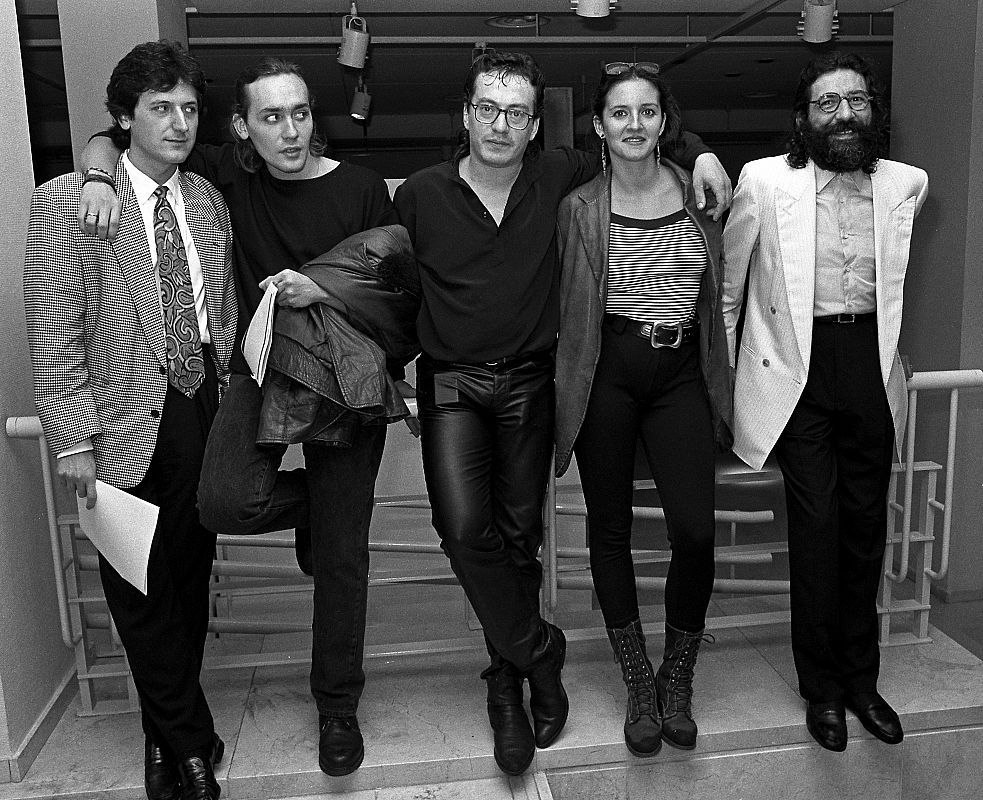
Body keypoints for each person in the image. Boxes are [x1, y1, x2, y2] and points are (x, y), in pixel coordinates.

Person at [393, 50, 732, 776]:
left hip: (531, 383)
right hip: (454, 383)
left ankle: (520, 688)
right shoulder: (422, 194)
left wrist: (700, 150)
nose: (500, 124)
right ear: (464, 114)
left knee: (524, 540)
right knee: (463, 531)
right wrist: (391, 369)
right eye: (487, 108)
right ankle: (539, 653)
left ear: (535, 124)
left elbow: (650, 140)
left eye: (516, 112)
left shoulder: (560, 177)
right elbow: (393, 291)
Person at [78, 57, 401, 777]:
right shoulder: (229, 177)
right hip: (260, 368)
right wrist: (98, 167)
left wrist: (322, 289)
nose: (290, 131)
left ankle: (337, 705)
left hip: (346, 374)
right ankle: (325, 508)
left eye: (301, 113)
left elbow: (398, 287)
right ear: (242, 130)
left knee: (342, 558)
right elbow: (121, 134)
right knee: (220, 499)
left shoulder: (359, 187)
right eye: (271, 117)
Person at [25, 41, 236, 800]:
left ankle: (164, 736)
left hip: (201, 412)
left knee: (186, 580)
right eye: (160, 109)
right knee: (137, 589)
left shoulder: (207, 200)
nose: (178, 123)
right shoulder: (68, 201)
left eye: (188, 109)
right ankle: (189, 749)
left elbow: (222, 310)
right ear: (124, 118)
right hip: (118, 426)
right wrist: (71, 438)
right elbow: (55, 327)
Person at [721, 52, 928, 752]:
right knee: (815, 532)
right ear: (802, 118)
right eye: (825, 103)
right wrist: (726, 384)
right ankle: (822, 692)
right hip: (797, 371)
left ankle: (861, 682)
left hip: (868, 364)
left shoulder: (905, 183)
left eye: (855, 100)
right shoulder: (763, 181)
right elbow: (728, 291)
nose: (842, 113)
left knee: (866, 530)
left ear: (873, 110)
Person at [554, 62, 733, 758]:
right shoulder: (578, 208)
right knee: (610, 529)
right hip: (607, 372)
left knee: (693, 530)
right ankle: (637, 683)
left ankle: (677, 676)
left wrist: (705, 152)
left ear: (666, 121)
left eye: (647, 111)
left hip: (681, 370)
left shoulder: (703, 194)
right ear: (599, 125)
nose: (634, 124)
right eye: (619, 113)